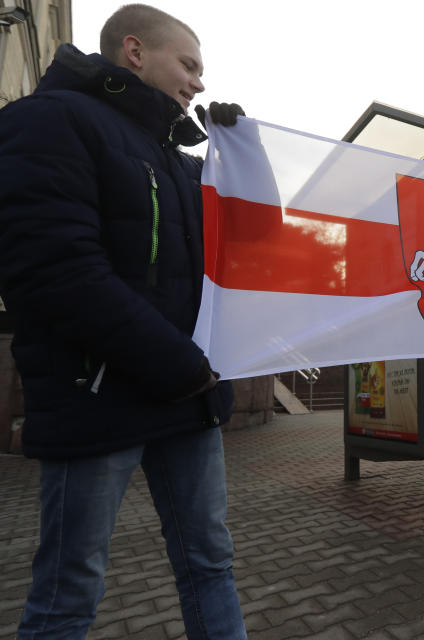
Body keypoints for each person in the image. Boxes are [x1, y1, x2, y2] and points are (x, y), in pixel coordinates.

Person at [0, 5, 247, 638]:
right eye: (188, 65)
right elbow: (55, 272)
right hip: (99, 397)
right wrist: (183, 363)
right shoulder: (48, 121)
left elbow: (253, 241)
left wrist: (244, 154)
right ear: (134, 52)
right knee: (69, 591)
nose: (198, 83)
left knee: (212, 567)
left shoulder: (183, 160)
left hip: (187, 401)